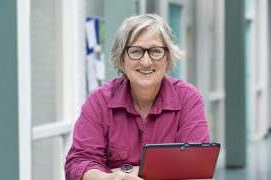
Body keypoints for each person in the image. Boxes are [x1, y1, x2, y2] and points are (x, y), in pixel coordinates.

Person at [65, 14, 211, 180]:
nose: (146, 62)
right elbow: (79, 164)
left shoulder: (188, 99)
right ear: (121, 60)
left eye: (156, 51)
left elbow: (197, 169)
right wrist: (112, 179)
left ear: (168, 58)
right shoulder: (99, 102)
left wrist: (126, 172)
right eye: (136, 51)